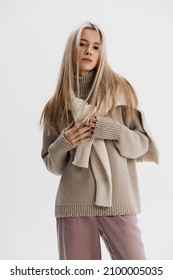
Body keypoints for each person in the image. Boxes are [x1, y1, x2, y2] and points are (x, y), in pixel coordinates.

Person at [40, 22, 159, 260]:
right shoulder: (57, 105)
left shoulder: (120, 90)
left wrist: (115, 130)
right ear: (70, 50)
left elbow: (142, 145)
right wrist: (65, 141)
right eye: (82, 44)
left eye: (96, 47)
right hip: (74, 205)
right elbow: (53, 165)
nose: (89, 51)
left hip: (118, 201)